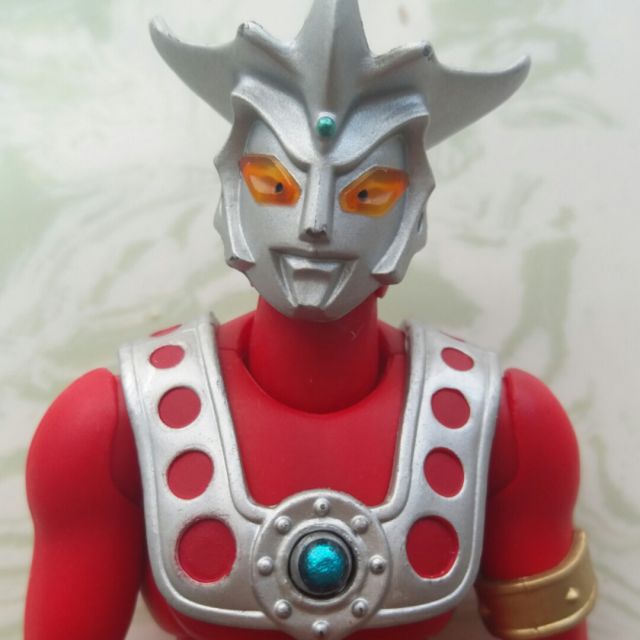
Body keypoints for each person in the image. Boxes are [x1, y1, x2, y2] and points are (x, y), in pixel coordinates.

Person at [25, 1, 596, 639]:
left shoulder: (508, 423)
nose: (315, 223)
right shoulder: (109, 426)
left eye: (366, 193)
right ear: (233, 189)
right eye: (277, 185)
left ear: (412, 208)